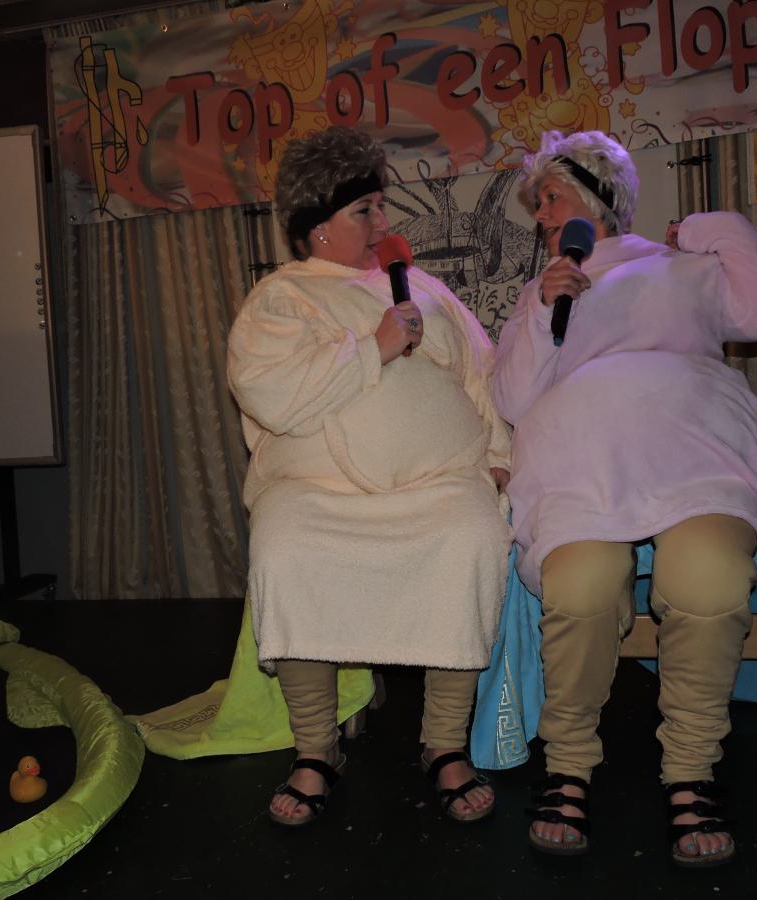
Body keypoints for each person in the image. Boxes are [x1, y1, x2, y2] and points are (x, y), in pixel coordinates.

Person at [492, 131, 757, 864]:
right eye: (538, 205)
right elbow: (514, 399)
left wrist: (709, 228)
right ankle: (568, 764)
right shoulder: (542, 290)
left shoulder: (683, 265)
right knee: (580, 586)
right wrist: (546, 311)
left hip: (696, 454)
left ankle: (690, 769)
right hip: (583, 467)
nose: (541, 216)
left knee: (709, 578)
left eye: (550, 197)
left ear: (599, 194)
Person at [226, 126, 512, 828]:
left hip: (440, 482)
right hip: (317, 493)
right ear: (318, 225)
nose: (384, 223)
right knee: (284, 547)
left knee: (472, 536)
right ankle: (316, 748)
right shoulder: (280, 298)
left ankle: (444, 743)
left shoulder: (427, 291)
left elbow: (481, 374)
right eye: (366, 211)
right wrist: (373, 347)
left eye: (383, 207)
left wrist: (499, 454)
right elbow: (272, 394)